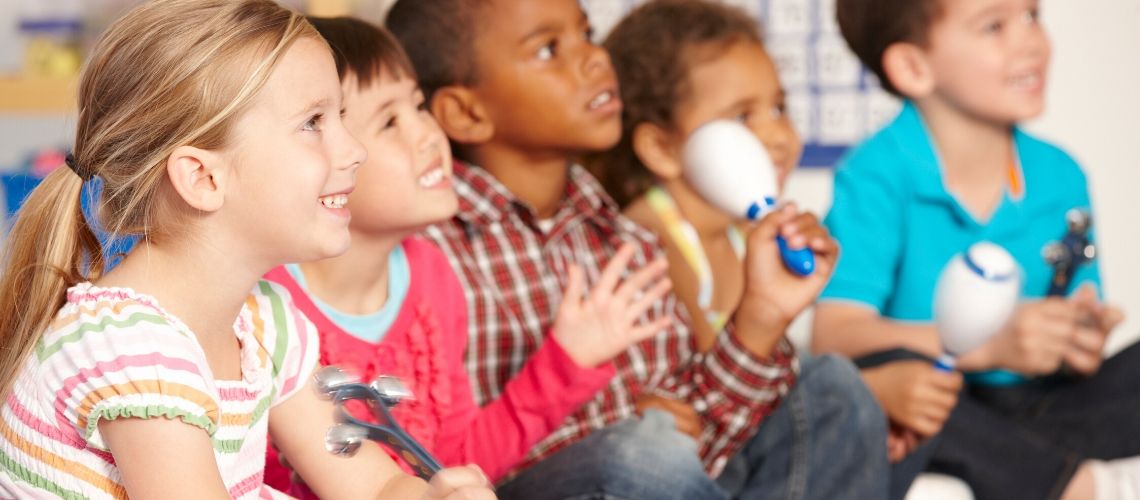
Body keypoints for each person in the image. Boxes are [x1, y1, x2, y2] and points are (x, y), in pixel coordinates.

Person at [387, 0, 888, 498]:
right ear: (466, 113)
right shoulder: (426, 251)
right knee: (639, 450)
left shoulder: (624, 240)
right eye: (548, 49)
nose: (594, 58)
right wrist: (626, 424)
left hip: (658, 476)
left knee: (830, 390)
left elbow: (697, 449)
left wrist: (761, 315)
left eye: (587, 34)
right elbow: (440, 460)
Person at [0, 1, 493, 498]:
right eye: (313, 123)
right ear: (203, 177)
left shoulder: (264, 323)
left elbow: (372, 485)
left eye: (341, 116)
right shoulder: (130, 349)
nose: (354, 149)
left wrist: (432, 495)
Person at [263, 16, 671, 496]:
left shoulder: (432, 275)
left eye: (418, 106)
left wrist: (567, 361)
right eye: (391, 121)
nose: (428, 134)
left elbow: (454, 463)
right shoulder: (268, 299)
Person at [814, 0, 1140, 497]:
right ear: (913, 67)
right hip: (943, 404)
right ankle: (1072, 483)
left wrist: (1079, 341)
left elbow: (1080, 324)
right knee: (877, 379)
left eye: (1033, 16)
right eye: (995, 26)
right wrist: (990, 346)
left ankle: (1017, 466)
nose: (1030, 41)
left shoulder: (1060, 174)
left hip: (1038, 410)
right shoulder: (874, 174)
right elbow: (832, 335)